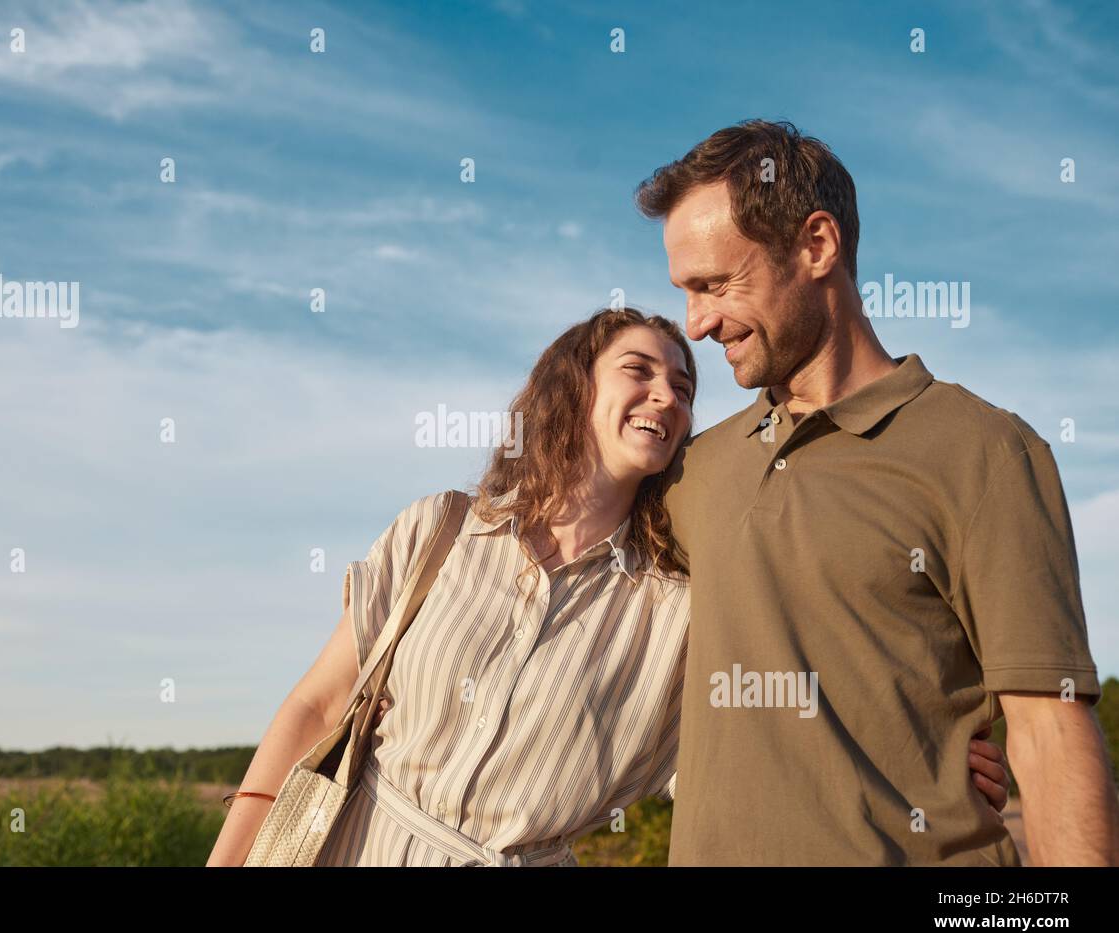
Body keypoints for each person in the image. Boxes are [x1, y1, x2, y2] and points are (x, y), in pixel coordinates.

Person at [206, 306, 1009, 866]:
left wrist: (925, 752)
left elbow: (780, 710)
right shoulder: (440, 531)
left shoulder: (678, 609)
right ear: (575, 388)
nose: (666, 394)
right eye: (640, 371)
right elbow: (315, 706)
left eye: (685, 386)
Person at [637, 119, 1119, 865]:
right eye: (685, 292)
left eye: (716, 284)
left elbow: (1050, 732)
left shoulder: (985, 451)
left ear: (817, 246)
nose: (698, 323)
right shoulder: (696, 474)